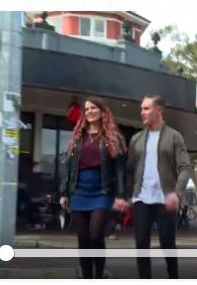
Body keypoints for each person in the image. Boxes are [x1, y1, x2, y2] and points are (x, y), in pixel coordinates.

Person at [116, 94, 191, 279]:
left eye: (146, 108)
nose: (142, 112)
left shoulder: (174, 137)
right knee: (141, 244)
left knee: (167, 243)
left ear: (159, 110)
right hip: (141, 198)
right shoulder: (136, 139)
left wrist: (177, 193)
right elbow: (130, 170)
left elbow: (185, 167)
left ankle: (173, 277)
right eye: (142, 108)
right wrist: (127, 196)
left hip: (166, 199)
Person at [59, 97, 127, 279]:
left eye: (93, 108)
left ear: (102, 111)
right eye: (87, 109)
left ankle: (99, 275)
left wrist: (121, 195)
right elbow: (68, 166)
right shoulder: (77, 137)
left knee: (96, 236)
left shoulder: (113, 138)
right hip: (79, 192)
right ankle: (87, 277)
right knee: (83, 239)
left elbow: (120, 169)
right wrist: (64, 193)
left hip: (102, 192)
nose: (89, 111)